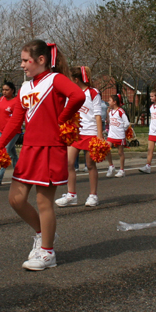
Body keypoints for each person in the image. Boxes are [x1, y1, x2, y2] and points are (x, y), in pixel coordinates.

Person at [0, 40, 84, 271]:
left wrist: (61, 119)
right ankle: (40, 234)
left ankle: (47, 253)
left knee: (44, 203)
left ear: (41, 60)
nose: (22, 65)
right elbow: (16, 121)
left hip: (50, 148)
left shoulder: (55, 79)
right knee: (16, 199)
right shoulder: (25, 87)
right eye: (22, 60)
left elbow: (77, 96)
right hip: (29, 149)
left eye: (26, 60)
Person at [57, 66, 103, 207]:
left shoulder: (93, 93)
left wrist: (99, 136)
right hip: (75, 133)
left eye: (71, 79)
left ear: (76, 79)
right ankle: (72, 195)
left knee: (90, 165)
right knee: (69, 163)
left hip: (90, 133)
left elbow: (97, 115)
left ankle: (93, 195)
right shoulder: (70, 93)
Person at [105, 94, 129, 178]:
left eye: (109, 100)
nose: (108, 102)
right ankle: (111, 166)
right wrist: (107, 114)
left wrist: (123, 130)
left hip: (119, 135)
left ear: (114, 102)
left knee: (120, 152)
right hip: (111, 134)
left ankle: (122, 170)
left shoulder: (120, 111)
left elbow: (127, 123)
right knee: (106, 149)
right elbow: (108, 122)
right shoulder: (110, 111)